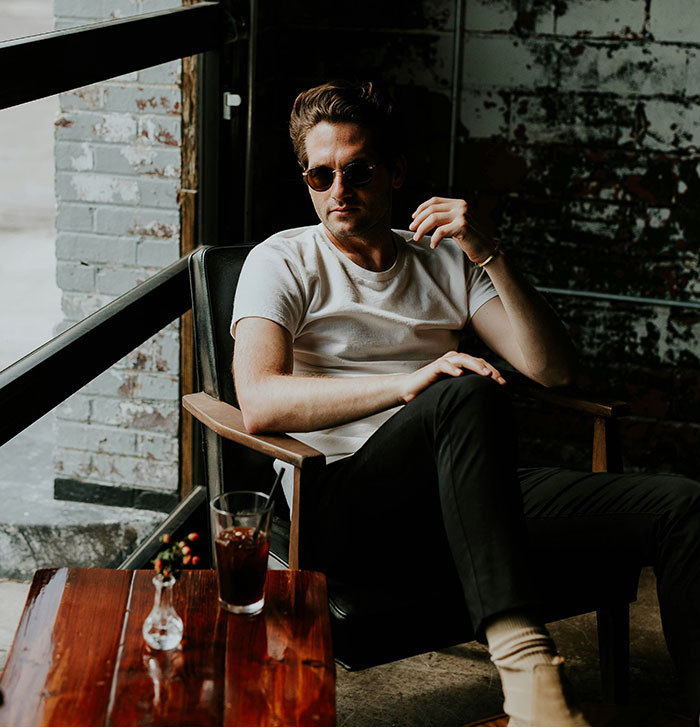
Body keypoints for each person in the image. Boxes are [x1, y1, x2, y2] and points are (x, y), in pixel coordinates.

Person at [231, 79, 700, 726]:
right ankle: (530, 678)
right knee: (463, 392)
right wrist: (409, 384)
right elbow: (257, 400)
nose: (338, 190)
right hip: (342, 505)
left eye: (357, 169)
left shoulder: (443, 258)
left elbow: (553, 369)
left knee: (679, 505)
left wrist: (488, 250)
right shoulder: (281, 261)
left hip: (465, 488)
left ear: (395, 171)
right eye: (320, 174)